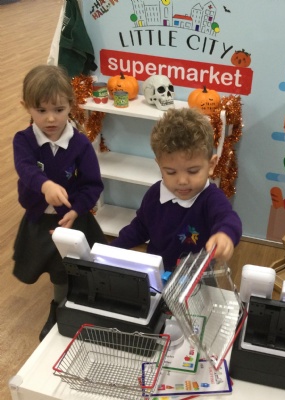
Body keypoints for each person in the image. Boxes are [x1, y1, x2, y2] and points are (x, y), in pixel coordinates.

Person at [12, 65, 106, 341]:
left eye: (59, 109)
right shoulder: (24, 140)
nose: (51, 118)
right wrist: (45, 185)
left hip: (73, 220)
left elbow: (92, 185)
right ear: (26, 107)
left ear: (71, 105)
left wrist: (75, 210)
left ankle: (66, 306)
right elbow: (26, 169)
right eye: (41, 110)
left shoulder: (80, 144)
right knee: (53, 267)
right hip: (39, 219)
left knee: (68, 268)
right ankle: (59, 307)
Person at [111, 107, 242, 272]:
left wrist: (225, 234)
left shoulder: (211, 199)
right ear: (159, 165)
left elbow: (228, 218)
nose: (182, 181)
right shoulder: (155, 194)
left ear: (211, 165)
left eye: (193, 171)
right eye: (171, 172)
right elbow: (140, 228)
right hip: (157, 272)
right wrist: (112, 248)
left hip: (196, 278)